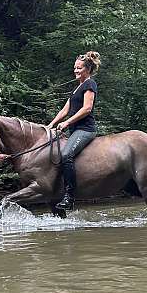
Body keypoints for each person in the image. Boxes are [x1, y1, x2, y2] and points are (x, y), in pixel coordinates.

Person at [47, 51, 101, 212]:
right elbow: (64, 111)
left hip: (85, 130)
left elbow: (87, 109)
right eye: (75, 68)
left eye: (79, 68)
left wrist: (66, 123)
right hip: (74, 130)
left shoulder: (90, 85)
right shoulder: (77, 88)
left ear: (88, 69)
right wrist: (49, 126)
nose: (76, 71)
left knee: (66, 155)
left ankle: (70, 197)